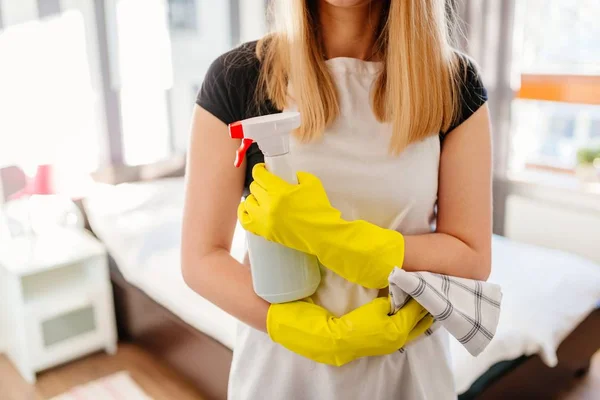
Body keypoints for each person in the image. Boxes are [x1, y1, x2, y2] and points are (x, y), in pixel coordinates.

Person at [181, 0, 492, 398]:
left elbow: (472, 255)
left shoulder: (453, 82)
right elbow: (201, 257)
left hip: (408, 373)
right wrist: (312, 333)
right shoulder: (239, 77)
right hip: (283, 375)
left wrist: (346, 242)